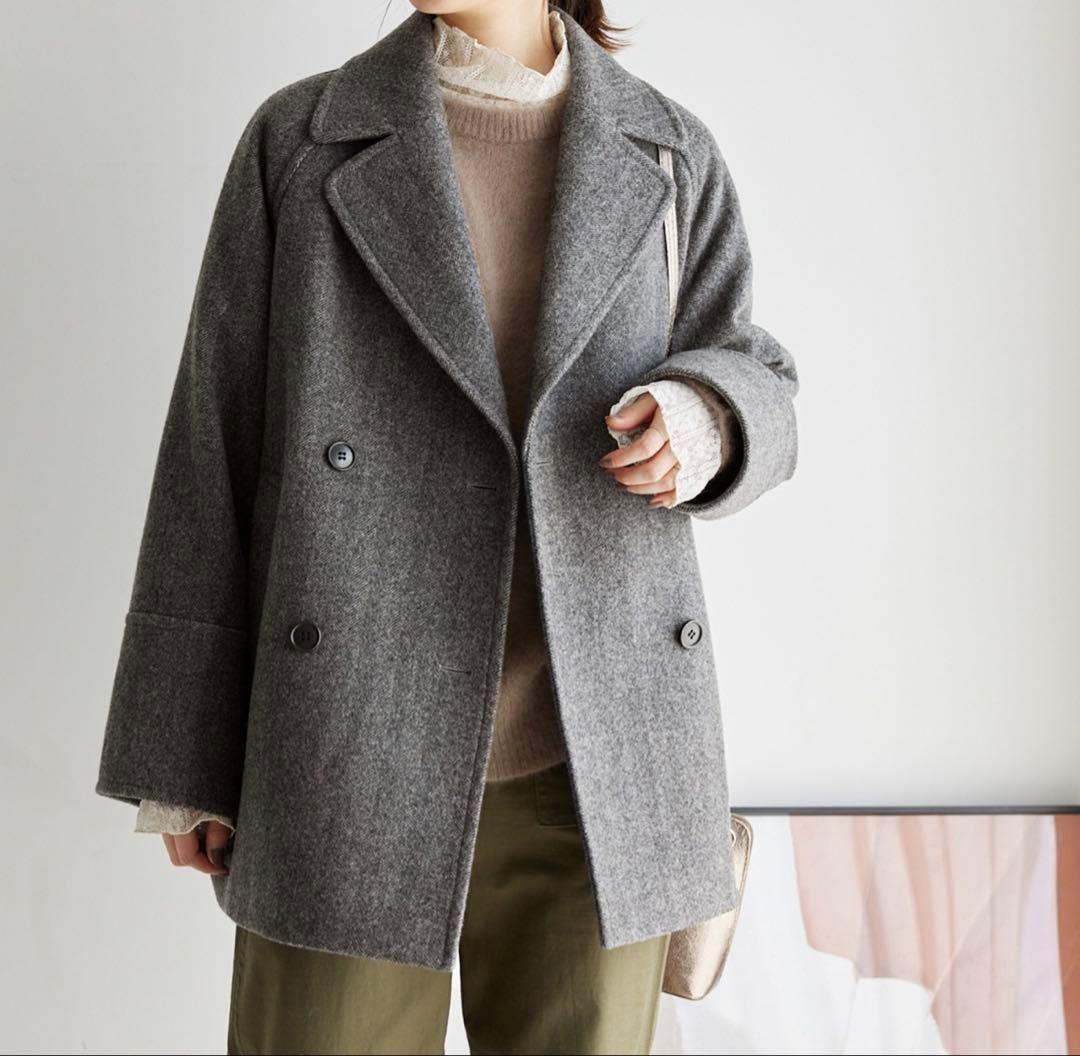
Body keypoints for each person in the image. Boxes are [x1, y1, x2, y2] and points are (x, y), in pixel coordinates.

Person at [96, 2, 799, 1053]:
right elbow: (215, 436)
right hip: (346, 743)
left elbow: (753, 365)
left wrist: (710, 415)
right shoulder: (303, 141)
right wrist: (184, 755)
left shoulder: (666, 149)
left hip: (600, 763)